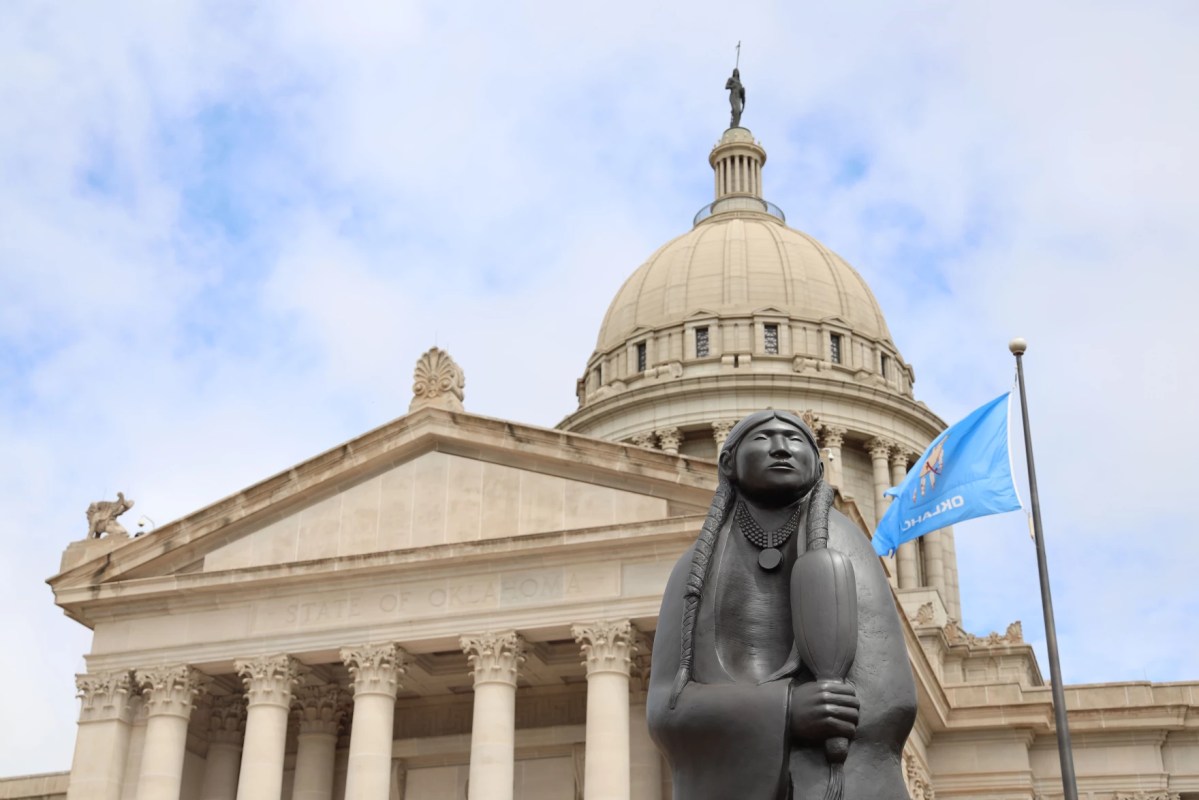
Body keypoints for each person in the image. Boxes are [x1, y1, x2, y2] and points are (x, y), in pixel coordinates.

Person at [647, 410, 916, 799]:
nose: (780, 449)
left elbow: (891, 696)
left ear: (819, 464)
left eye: (793, 440)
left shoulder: (846, 543)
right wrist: (786, 711)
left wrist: (831, 714)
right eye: (763, 439)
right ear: (728, 463)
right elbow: (665, 708)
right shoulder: (694, 569)